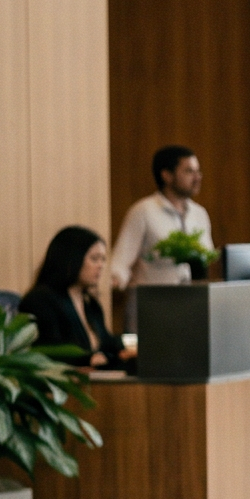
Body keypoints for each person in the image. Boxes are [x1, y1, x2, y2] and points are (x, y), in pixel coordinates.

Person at [108, 144, 214, 293]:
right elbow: (121, 261)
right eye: (189, 171)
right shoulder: (143, 211)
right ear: (167, 175)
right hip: (152, 302)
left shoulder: (200, 214)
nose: (197, 178)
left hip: (191, 301)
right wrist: (114, 281)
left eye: (198, 171)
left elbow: (207, 258)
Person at [21, 226, 124, 369]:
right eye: (94, 259)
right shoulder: (40, 300)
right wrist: (90, 359)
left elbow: (108, 345)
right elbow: (50, 352)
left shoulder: (90, 304)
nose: (101, 266)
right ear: (70, 258)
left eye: (103, 259)